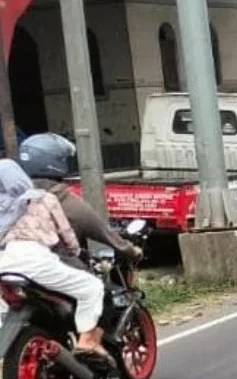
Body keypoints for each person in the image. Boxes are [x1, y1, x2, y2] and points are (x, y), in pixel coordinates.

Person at [0, 159, 108, 359]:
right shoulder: (44, 199)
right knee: (92, 287)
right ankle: (86, 341)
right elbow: (66, 233)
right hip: (35, 259)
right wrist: (75, 252)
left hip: (4, 262)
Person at [16, 133, 141, 269]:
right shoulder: (67, 202)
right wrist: (132, 251)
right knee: (95, 288)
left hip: (13, 271)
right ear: (58, 163)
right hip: (54, 273)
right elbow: (105, 233)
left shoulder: (12, 198)